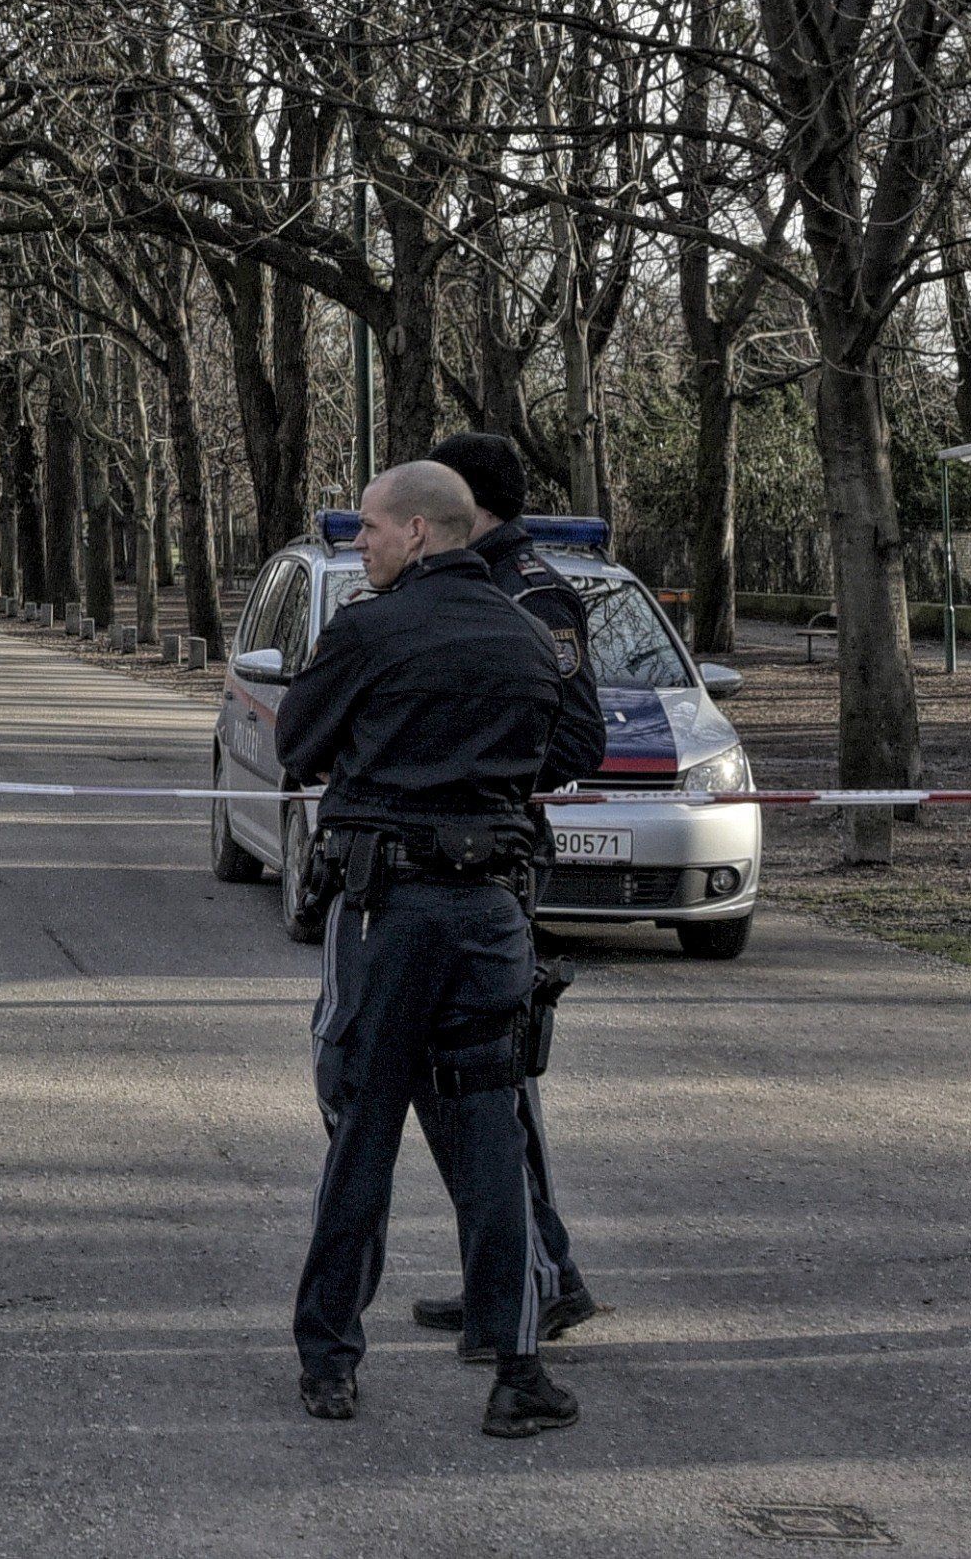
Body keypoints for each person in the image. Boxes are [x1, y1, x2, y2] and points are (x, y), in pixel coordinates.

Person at [281, 459, 610, 1437]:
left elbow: (299, 741)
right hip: (492, 919)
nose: (361, 545)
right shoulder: (525, 636)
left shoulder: (368, 630)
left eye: (372, 530)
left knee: (363, 1130)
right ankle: (516, 1371)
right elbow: (564, 749)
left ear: (420, 532)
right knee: (491, 1141)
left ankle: (329, 1360)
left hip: (389, 915)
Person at [402, 430, 607, 1358]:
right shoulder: (467, 584)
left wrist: (473, 766)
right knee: (469, 1083)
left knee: (494, 1079)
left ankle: (538, 1277)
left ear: (470, 505)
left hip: (495, 859)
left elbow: (576, 741)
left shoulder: (529, 593)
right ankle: (516, 1270)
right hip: (449, 862)